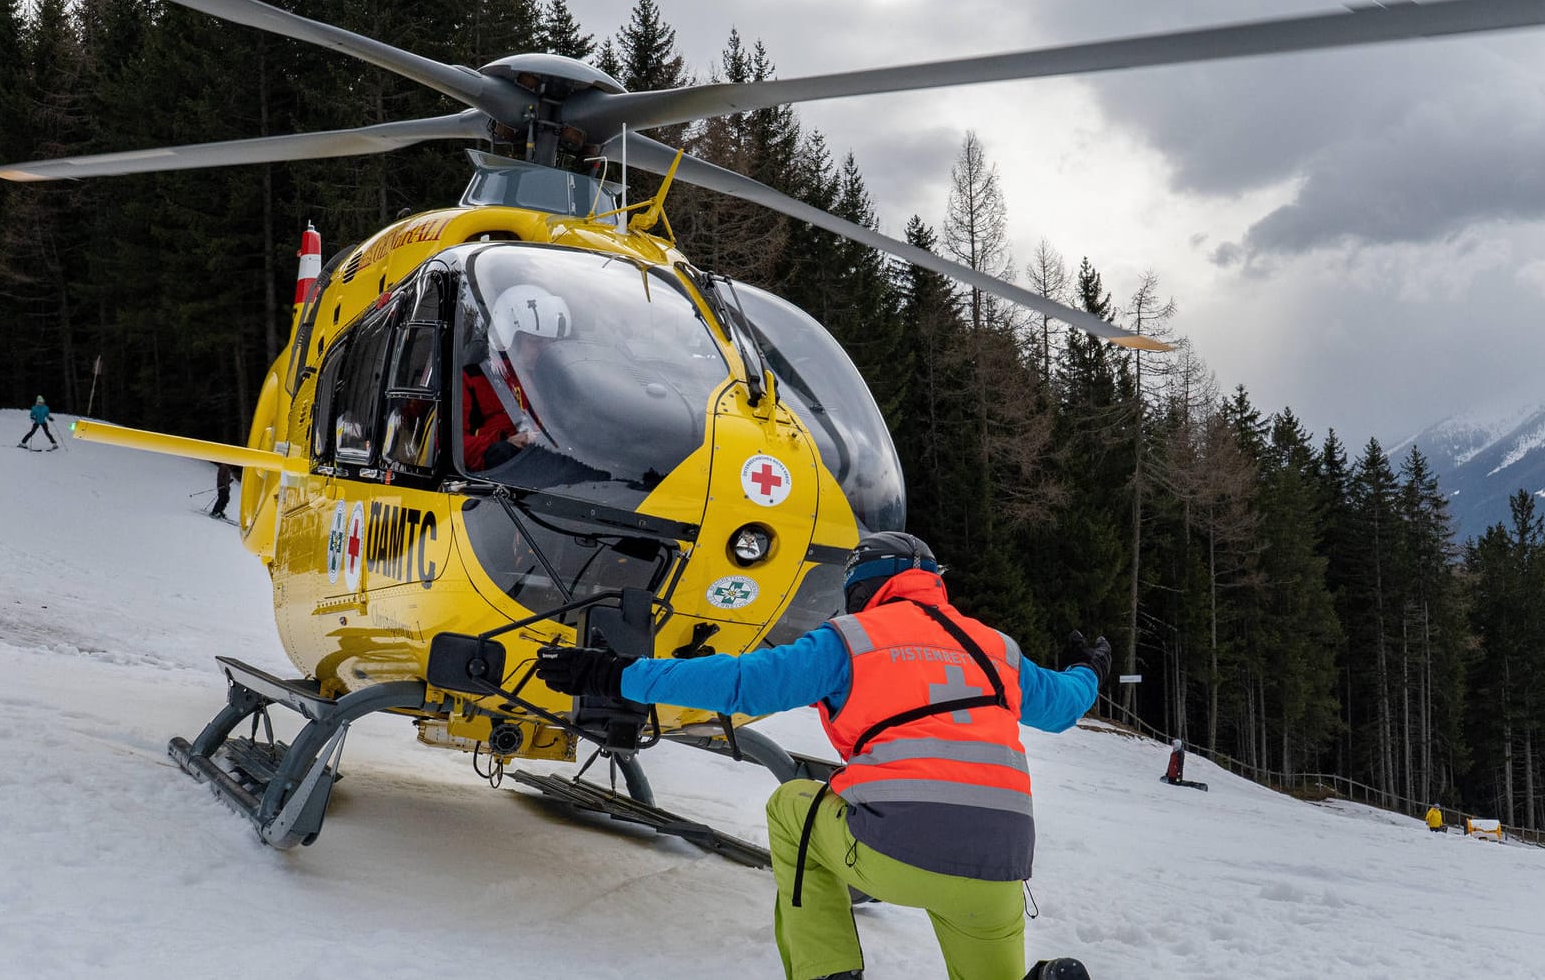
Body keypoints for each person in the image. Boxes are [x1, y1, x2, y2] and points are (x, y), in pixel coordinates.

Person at [537, 531, 1111, 980]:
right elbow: (1063, 706)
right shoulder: (996, 649)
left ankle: (828, 971)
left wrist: (615, 673)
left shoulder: (852, 639)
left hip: (896, 849)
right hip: (1000, 865)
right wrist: (1093, 668)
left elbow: (741, 684)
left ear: (862, 588)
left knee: (792, 806)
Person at [461, 284, 569, 471]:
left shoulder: (556, 380)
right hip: (503, 479)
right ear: (508, 337)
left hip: (557, 468)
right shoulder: (473, 380)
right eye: (535, 342)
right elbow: (450, 446)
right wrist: (506, 446)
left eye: (550, 343)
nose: (544, 351)